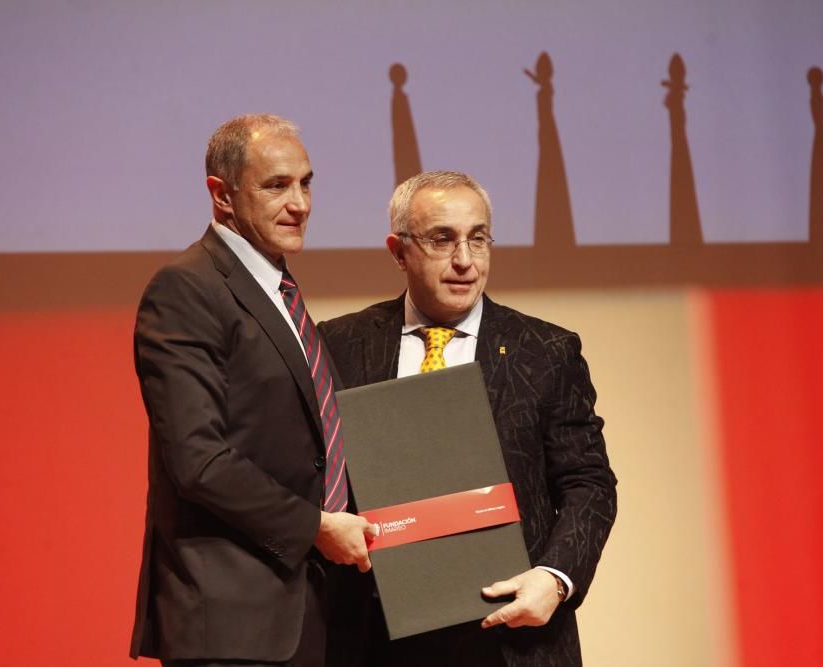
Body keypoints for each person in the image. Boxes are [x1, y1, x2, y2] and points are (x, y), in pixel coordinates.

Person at [318, 171, 617, 667]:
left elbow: (589, 483)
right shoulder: (341, 344)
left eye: (478, 240)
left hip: (509, 635)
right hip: (375, 637)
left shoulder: (545, 351)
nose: (465, 261)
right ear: (398, 251)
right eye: (442, 239)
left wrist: (555, 577)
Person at [129, 114, 375, 667]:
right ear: (221, 196)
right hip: (233, 625)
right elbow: (198, 459)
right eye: (276, 185)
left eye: (306, 183)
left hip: (308, 612)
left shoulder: (277, 289)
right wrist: (315, 527)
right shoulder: (186, 289)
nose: (301, 204)